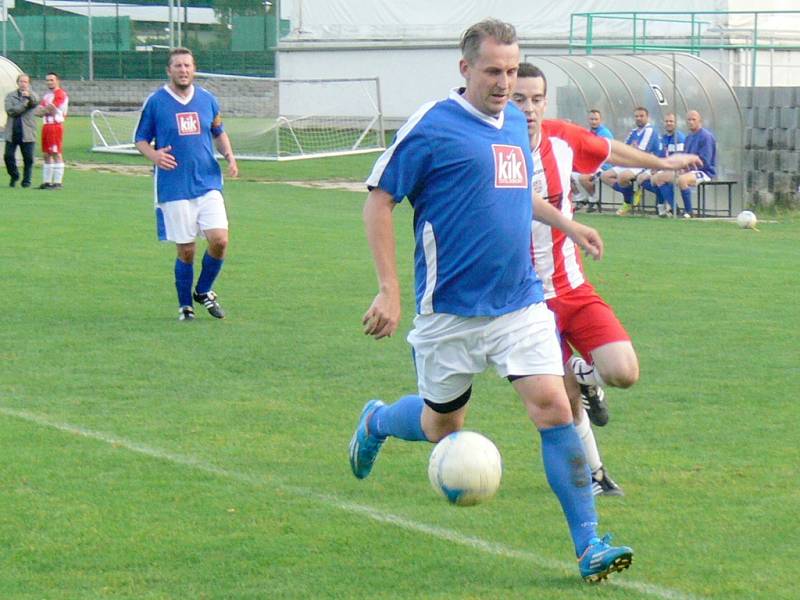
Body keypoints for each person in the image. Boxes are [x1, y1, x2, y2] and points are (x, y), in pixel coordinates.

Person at [349, 19, 634, 583]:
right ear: (465, 69)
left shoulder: (511, 128)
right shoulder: (434, 126)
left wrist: (568, 226)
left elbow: (517, 195)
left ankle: (589, 545)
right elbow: (379, 201)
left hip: (519, 304)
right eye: (493, 71)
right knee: (440, 427)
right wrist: (389, 289)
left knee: (554, 406)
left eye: (511, 70)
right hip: (449, 311)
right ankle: (378, 422)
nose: (505, 84)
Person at [509, 63, 701, 496]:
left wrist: (662, 163)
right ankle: (595, 476)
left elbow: (609, 148)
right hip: (522, 300)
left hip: (572, 286)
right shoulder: (492, 147)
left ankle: (581, 372)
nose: (529, 108)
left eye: (537, 99)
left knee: (623, 371)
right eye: (519, 99)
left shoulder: (560, 136)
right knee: (562, 402)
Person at [134, 47, 238, 321]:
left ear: (194, 69)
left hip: (207, 181)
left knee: (220, 240)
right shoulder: (156, 102)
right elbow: (141, 140)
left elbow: (218, 131)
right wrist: (154, 155)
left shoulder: (207, 99)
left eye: (187, 65)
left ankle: (203, 290)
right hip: (174, 186)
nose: (183, 70)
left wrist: (228, 155)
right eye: (178, 66)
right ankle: (185, 307)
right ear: (169, 70)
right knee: (187, 248)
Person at [651, 110, 717, 219]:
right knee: (658, 178)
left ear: (700, 121)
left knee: (682, 180)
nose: (690, 122)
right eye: (688, 120)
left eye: (693, 119)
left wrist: (686, 169)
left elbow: (705, 161)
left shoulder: (706, 136)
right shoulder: (689, 137)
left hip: (704, 171)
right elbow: (684, 158)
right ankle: (674, 209)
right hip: (689, 170)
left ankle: (689, 212)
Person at [600, 107, 662, 216]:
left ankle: (628, 202)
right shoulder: (633, 132)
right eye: (636, 116)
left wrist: (631, 149)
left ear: (647, 117)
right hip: (630, 161)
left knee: (622, 177)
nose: (638, 118)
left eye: (641, 116)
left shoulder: (649, 130)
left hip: (643, 162)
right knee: (605, 176)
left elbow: (641, 152)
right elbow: (625, 148)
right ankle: (631, 196)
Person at [636, 112, 686, 217]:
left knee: (658, 179)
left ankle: (672, 208)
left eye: (671, 121)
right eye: (667, 121)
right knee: (641, 179)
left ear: (676, 123)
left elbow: (679, 160)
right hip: (663, 168)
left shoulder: (679, 138)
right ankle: (664, 206)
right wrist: (653, 168)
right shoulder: (662, 138)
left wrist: (659, 170)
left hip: (676, 170)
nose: (669, 123)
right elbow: (659, 156)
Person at [572, 109, 613, 212]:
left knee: (583, 179)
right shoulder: (588, 132)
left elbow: (601, 153)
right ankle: (580, 199)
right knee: (564, 174)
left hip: (603, 166)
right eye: (591, 119)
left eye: (596, 119)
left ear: (600, 120)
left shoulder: (604, 133)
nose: (593, 121)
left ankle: (593, 201)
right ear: (588, 120)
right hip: (590, 165)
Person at [34, 72, 68, 190]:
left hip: (55, 126)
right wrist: (44, 110)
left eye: (51, 80)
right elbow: (38, 111)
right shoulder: (47, 95)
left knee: (56, 153)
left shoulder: (60, 94)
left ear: (57, 81)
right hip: (46, 126)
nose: (49, 82)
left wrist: (44, 110)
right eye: (47, 80)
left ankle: (58, 183)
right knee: (46, 154)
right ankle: (47, 182)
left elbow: (51, 108)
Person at [4, 73, 39, 188]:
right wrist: (24, 103)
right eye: (21, 81)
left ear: (28, 84)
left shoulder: (33, 95)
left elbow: (35, 102)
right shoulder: (10, 96)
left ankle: (26, 181)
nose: (23, 84)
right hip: (12, 131)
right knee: (8, 156)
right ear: (17, 83)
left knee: (28, 159)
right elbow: (11, 111)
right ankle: (14, 175)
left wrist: (28, 97)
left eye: (25, 82)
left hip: (27, 132)